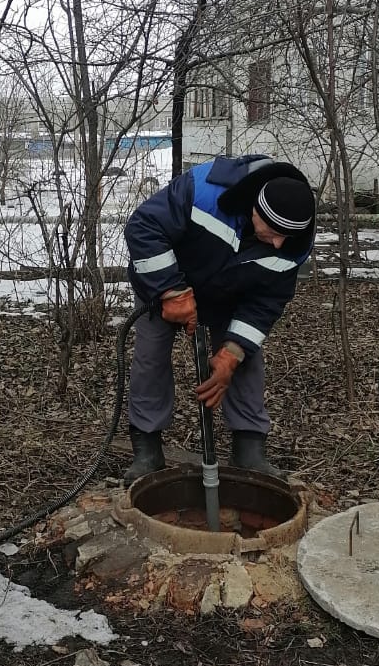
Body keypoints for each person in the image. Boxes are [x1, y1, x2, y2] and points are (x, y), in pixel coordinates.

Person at [123, 153, 315, 484]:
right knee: (151, 356)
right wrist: (170, 291)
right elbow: (143, 227)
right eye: (272, 231)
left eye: (287, 236)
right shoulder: (204, 191)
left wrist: (233, 352)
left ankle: (249, 449)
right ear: (255, 208)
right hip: (164, 281)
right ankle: (147, 448)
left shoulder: (295, 240)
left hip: (231, 295)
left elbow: (267, 301)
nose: (279, 242)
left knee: (245, 363)